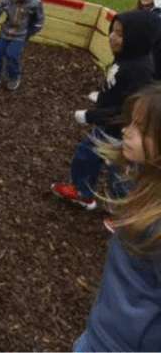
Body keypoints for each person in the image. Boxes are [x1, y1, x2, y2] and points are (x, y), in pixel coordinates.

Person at [70, 83, 161, 351]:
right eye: (130, 122)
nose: (126, 131)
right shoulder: (141, 183)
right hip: (104, 332)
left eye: (140, 129)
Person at [51, 10, 158, 211]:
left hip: (122, 132)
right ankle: (83, 192)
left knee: (120, 174)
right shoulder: (125, 57)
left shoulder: (140, 71)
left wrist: (91, 115)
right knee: (86, 154)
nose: (111, 37)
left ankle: (119, 213)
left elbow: (128, 108)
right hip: (106, 126)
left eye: (119, 34)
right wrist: (101, 99)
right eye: (112, 31)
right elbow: (116, 88)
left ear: (136, 39)